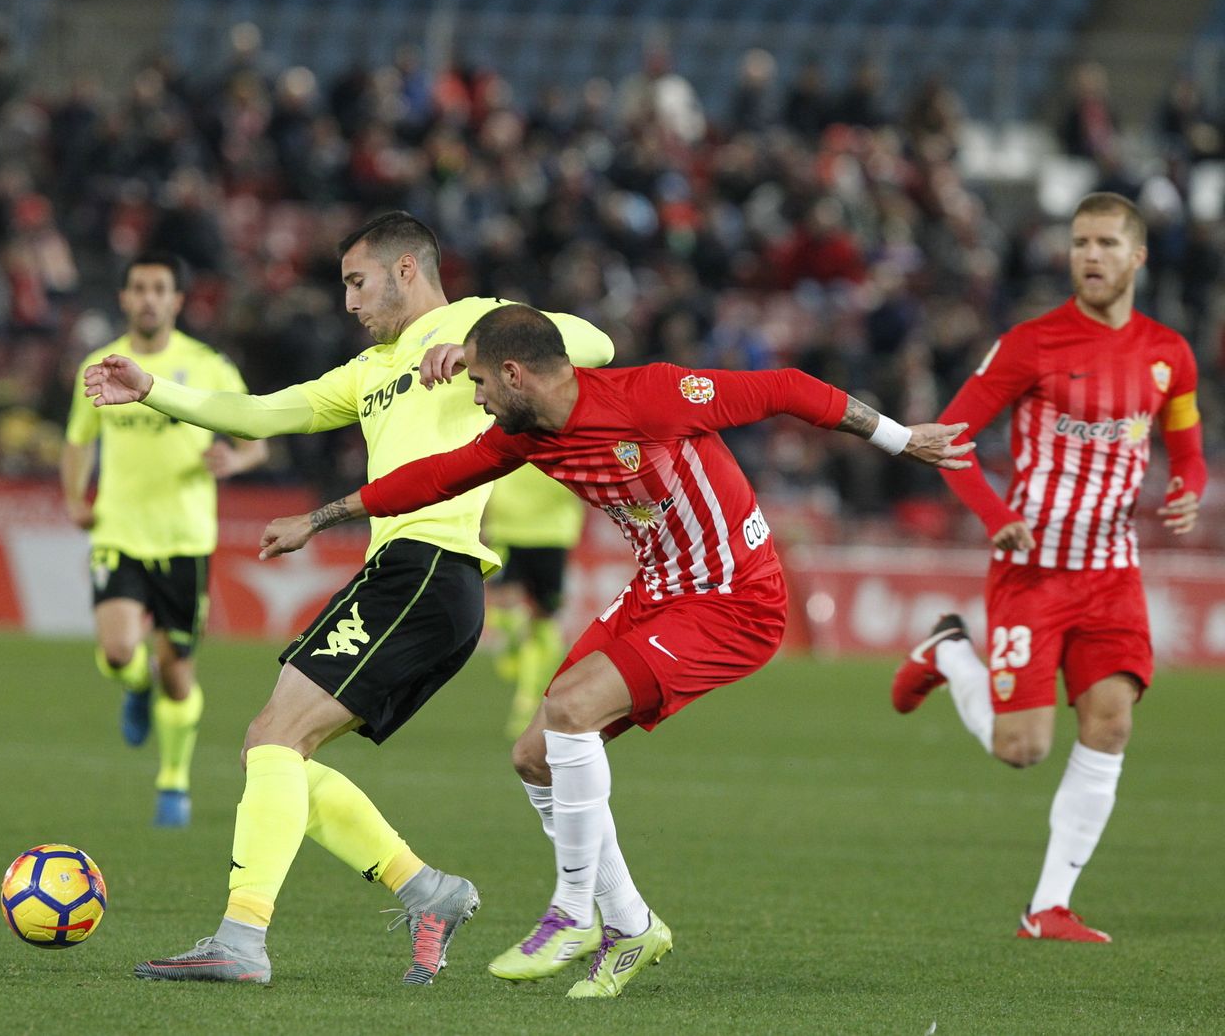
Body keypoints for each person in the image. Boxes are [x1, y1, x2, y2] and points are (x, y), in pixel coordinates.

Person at [258, 303, 972, 998]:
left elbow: (786, 387)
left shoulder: (653, 395)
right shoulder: (526, 435)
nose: (472, 396)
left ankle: (572, 910)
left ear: (515, 375)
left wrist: (903, 438)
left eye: (478, 382)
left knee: (571, 707)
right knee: (533, 753)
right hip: (659, 590)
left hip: (734, 598)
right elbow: (434, 477)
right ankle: (629, 923)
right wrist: (322, 518)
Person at [82, 212, 616, 986]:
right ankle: (425, 890)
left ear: (407, 271)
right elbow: (265, 411)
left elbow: (591, 343)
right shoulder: (371, 371)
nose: (348, 303)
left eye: (356, 282)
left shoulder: (478, 320)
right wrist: (156, 389)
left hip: (432, 566)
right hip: (403, 576)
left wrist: (475, 350)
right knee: (273, 746)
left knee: (274, 737)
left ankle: (243, 938)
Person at [890, 192, 1206, 943]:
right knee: (1021, 748)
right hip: (1033, 571)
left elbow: (1187, 447)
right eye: (1078, 243)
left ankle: (1047, 907)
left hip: (1112, 571)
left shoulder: (1170, 353)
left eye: (1104, 243)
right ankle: (949, 650)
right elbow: (946, 438)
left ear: (1138, 257)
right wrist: (997, 517)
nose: (1089, 255)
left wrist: (1189, 489)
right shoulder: (1031, 344)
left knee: (1112, 722)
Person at [61, 251, 267, 828]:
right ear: (125, 298)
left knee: (179, 672)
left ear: (177, 301)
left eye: (160, 289)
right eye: (139, 288)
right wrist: (76, 497)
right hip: (119, 531)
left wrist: (236, 457)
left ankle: (172, 781)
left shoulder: (207, 366)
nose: (149, 298)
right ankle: (134, 684)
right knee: (119, 651)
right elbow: (78, 440)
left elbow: (258, 435)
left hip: (184, 538)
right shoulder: (99, 367)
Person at [483, 463, 586, 738]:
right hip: (506, 531)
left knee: (543, 618)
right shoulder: (509, 426)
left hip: (552, 534)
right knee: (504, 604)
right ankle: (513, 645)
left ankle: (527, 700)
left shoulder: (564, 435)